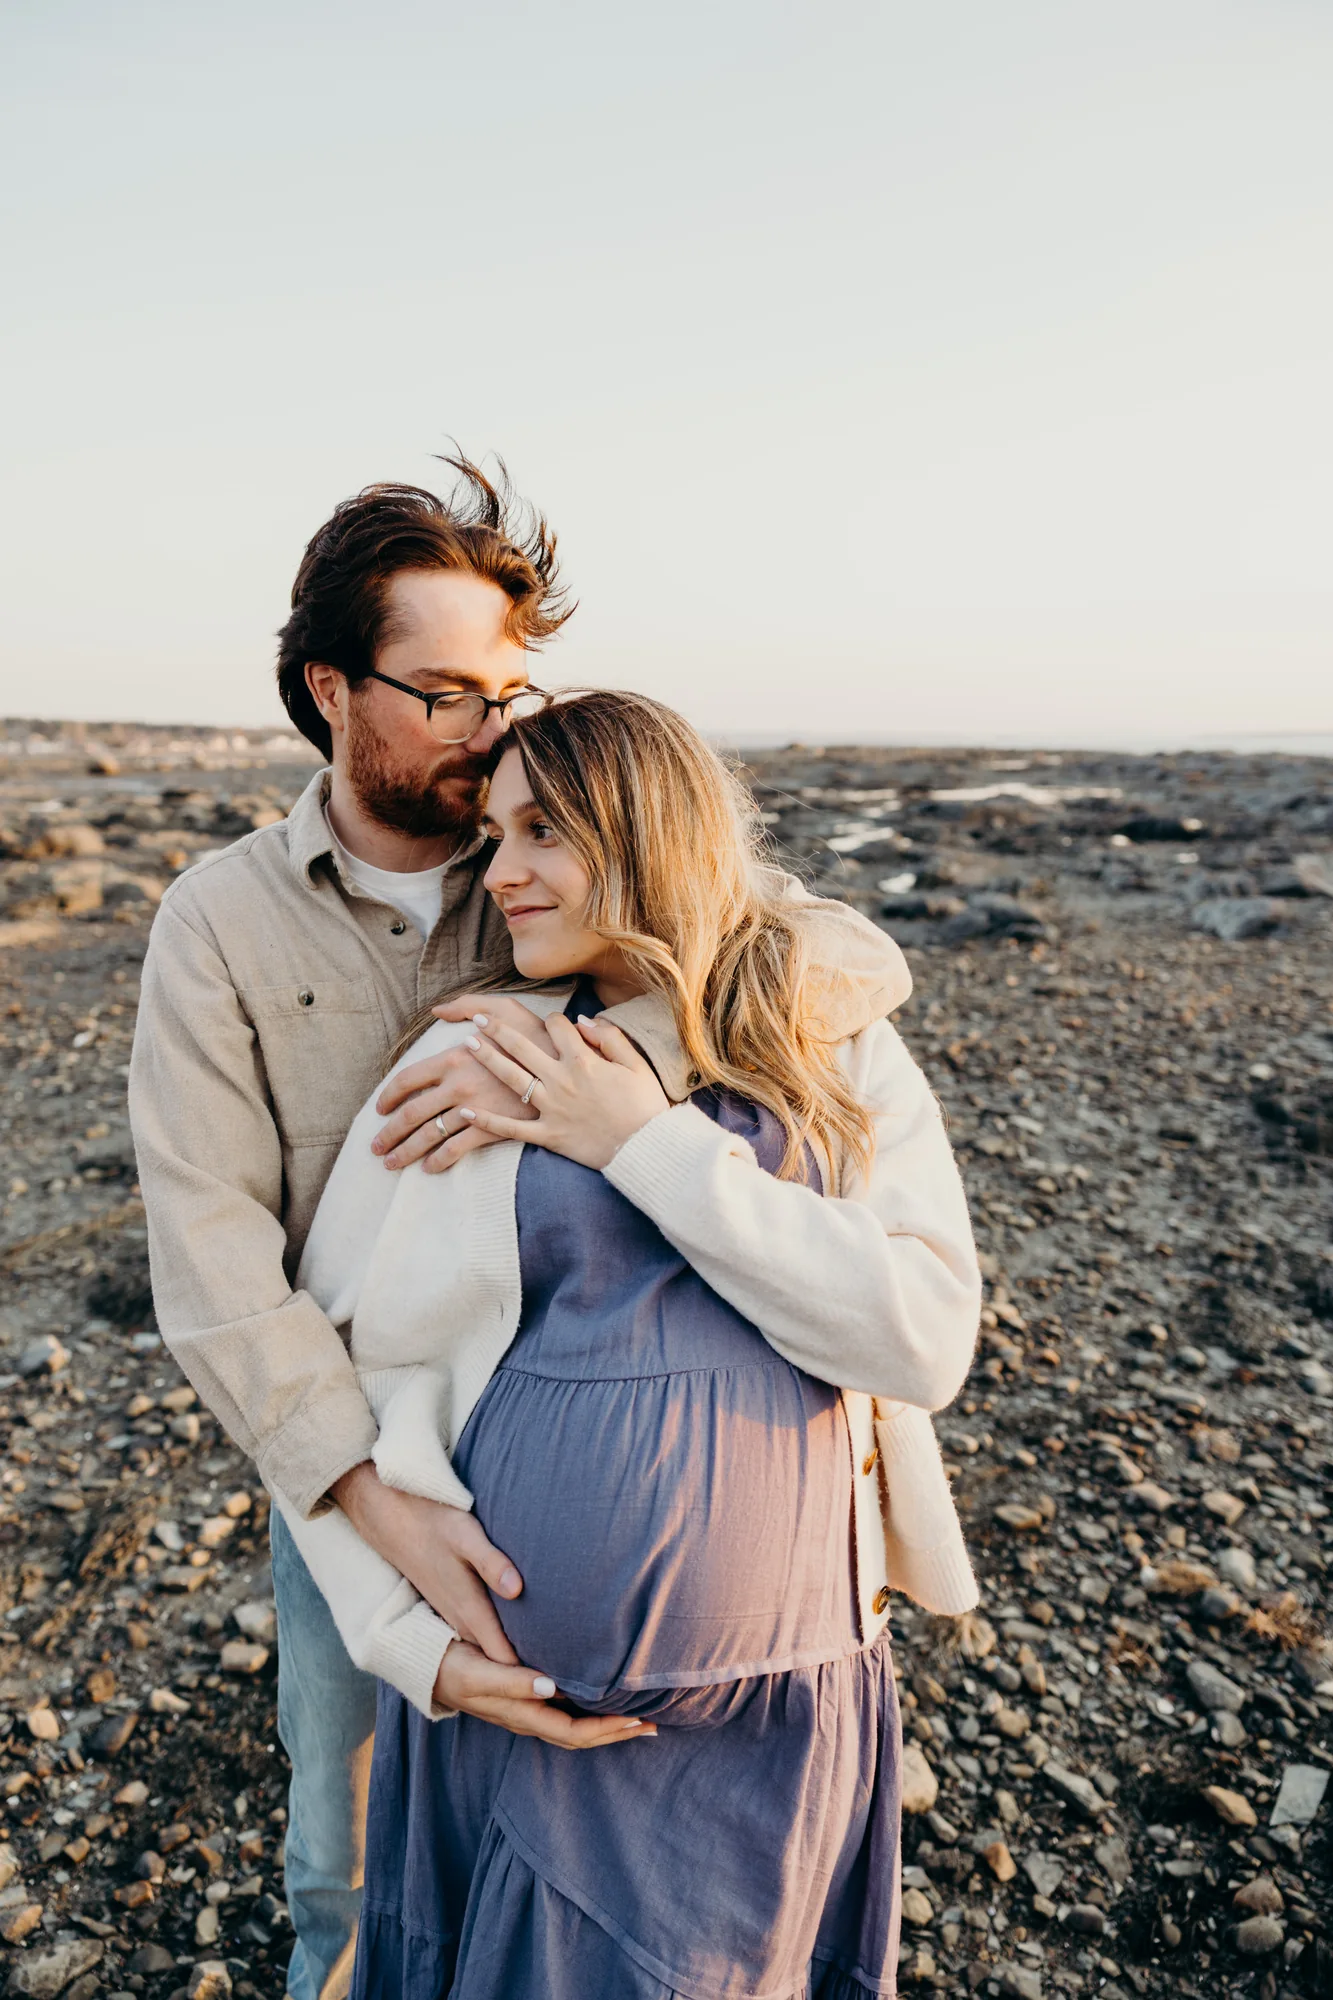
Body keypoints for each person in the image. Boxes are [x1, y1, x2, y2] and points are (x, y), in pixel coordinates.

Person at [127, 460, 918, 2000]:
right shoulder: (215, 929)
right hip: (346, 1461)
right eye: (443, 694)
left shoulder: (558, 863)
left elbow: (820, 952)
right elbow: (214, 1265)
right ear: (329, 689)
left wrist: (631, 1076)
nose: (489, 731)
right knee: (351, 1879)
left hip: (594, 1482)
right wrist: (369, 1500)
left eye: (509, 689)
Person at [282, 690, 981, 2000]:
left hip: (786, 1705)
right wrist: (411, 1645)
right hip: (528, 1726)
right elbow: (324, 1383)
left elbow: (926, 1337)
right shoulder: (473, 1057)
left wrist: (642, 1143)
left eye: (544, 829)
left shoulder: (831, 1046)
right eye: (494, 835)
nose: (505, 873)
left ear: (651, 827)